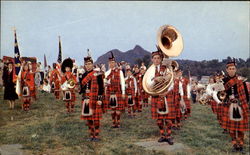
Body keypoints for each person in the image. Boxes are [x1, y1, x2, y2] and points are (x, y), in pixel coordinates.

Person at [216, 59, 249, 153]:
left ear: (235, 69)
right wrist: (223, 98)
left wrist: (245, 104)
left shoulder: (241, 80)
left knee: (240, 128)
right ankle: (235, 144)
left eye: (233, 68)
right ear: (227, 70)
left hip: (240, 105)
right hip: (229, 106)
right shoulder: (223, 81)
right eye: (230, 68)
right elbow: (219, 94)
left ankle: (241, 144)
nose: (231, 70)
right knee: (231, 128)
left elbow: (246, 95)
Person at [146, 50, 176, 144]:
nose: (156, 60)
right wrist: (155, 79)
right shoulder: (150, 71)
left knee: (168, 119)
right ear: (152, 60)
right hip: (156, 95)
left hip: (167, 95)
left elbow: (171, 82)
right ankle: (163, 135)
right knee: (159, 120)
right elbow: (148, 84)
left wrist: (166, 91)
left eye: (158, 58)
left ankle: (169, 136)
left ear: (161, 59)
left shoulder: (167, 68)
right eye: (154, 58)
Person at [80, 54, 104, 142]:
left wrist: (100, 99)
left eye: (89, 64)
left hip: (95, 98)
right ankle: (91, 135)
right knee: (89, 118)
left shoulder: (97, 74)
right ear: (85, 65)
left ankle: (96, 135)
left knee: (96, 118)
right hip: (86, 98)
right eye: (86, 64)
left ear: (92, 64)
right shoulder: (83, 75)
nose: (88, 66)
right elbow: (81, 88)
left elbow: (101, 87)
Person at [104, 52, 125, 128]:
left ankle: (118, 123)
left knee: (118, 110)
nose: (111, 64)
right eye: (110, 63)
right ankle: (113, 122)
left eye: (113, 62)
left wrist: (123, 92)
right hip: (110, 93)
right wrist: (106, 83)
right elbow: (104, 84)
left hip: (118, 92)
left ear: (115, 63)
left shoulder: (119, 72)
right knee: (112, 110)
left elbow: (122, 82)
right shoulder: (106, 73)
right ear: (108, 63)